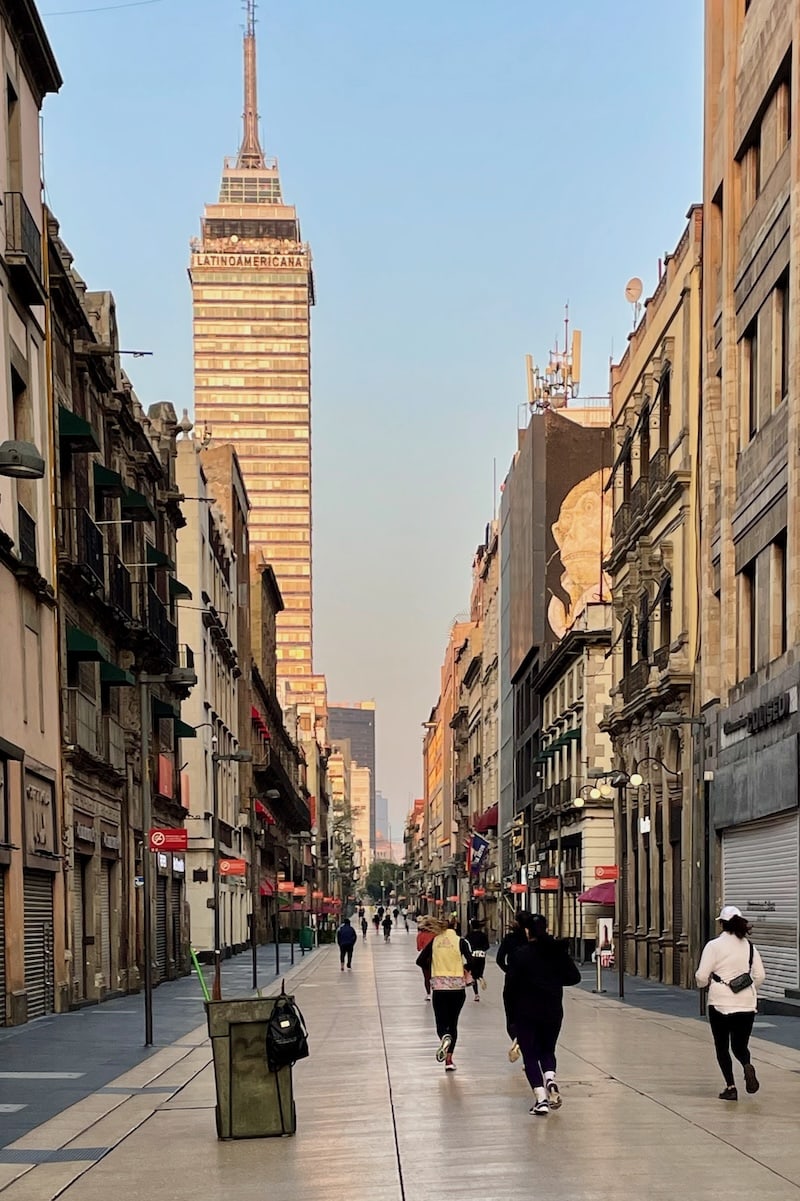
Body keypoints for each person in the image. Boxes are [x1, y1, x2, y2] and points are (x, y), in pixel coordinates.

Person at [505, 913, 581, 1115]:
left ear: (527, 931)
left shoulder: (520, 954)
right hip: (553, 1010)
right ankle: (550, 1079)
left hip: (526, 1011)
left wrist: (510, 1018)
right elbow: (574, 977)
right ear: (546, 929)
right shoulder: (557, 952)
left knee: (530, 1056)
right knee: (548, 1050)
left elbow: (509, 989)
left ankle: (541, 1100)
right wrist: (553, 981)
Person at [695, 905, 766, 1101]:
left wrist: (703, 983)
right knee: (740, 1046)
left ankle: (731, 1087)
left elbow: (701, 976)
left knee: (722, 1046)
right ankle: (746, 1065)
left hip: (720, 1003)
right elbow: (760, 975)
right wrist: (749, 991)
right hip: (746, 1004)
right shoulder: (750, 946)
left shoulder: (714, 946)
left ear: (721, 923)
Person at [416, 917, 473, 1071]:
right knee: (453, 1023)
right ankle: (449, 1060)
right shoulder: (460, 941)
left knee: (441, 1022)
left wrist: (434, 965)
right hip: (457, 989)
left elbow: (420, 961)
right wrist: (465, 969)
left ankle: (443, 1036)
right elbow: (472, 959)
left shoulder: (434, 942)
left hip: (439, 988)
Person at [497, 910, 532, 1053]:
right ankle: (528, 1049)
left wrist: (509, 970)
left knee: (511, 1016)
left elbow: (499, 959)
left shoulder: (509, 939)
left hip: (512, 981)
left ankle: (516, 1037)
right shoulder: (532, 938)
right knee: (529, 1016)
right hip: (531, 982)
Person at [467, 919, 490, 1001]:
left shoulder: (469, 935)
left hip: (473, 956)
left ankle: (476, 994)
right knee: (480, 971)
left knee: (473, 975)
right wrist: (482, 950)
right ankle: (480, 977)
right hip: (481, 956)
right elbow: (487, 946)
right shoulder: (483, 935)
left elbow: (466, 946)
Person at [416, 917, 436, 1000]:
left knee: (426, 977)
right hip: (436, 957)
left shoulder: (420, 935)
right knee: (436, 976)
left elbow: (419, 948)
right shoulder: (436, 934)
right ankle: (436, 991)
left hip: (425, 958)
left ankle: (428, 994)